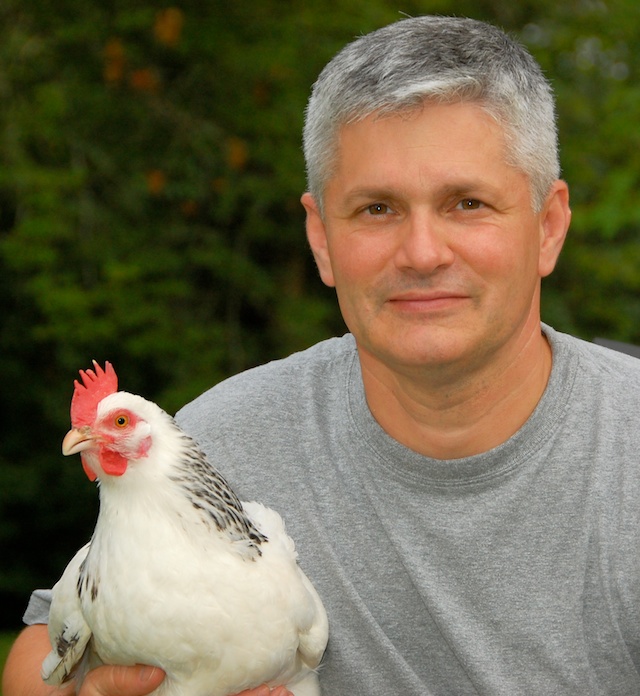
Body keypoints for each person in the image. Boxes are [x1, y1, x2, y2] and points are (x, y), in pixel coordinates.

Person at [4, 13, 640, 696]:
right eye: (376, 209)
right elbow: (44, 646)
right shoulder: (222, 441)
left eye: (467, 202)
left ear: (548, 227)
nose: (423, 253)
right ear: (320, 238)